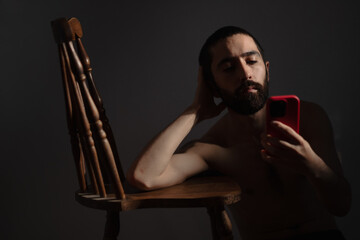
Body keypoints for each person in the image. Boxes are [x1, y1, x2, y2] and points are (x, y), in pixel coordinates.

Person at [126, 26, 352, 240]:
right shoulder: (214, 148)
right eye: (228, 68)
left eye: (252, 61)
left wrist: (311, 164)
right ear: (212, 86)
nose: (246, 73)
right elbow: (143, 175)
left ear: (267, 70)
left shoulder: (309, 118)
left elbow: (341, 205)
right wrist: (195, 111)